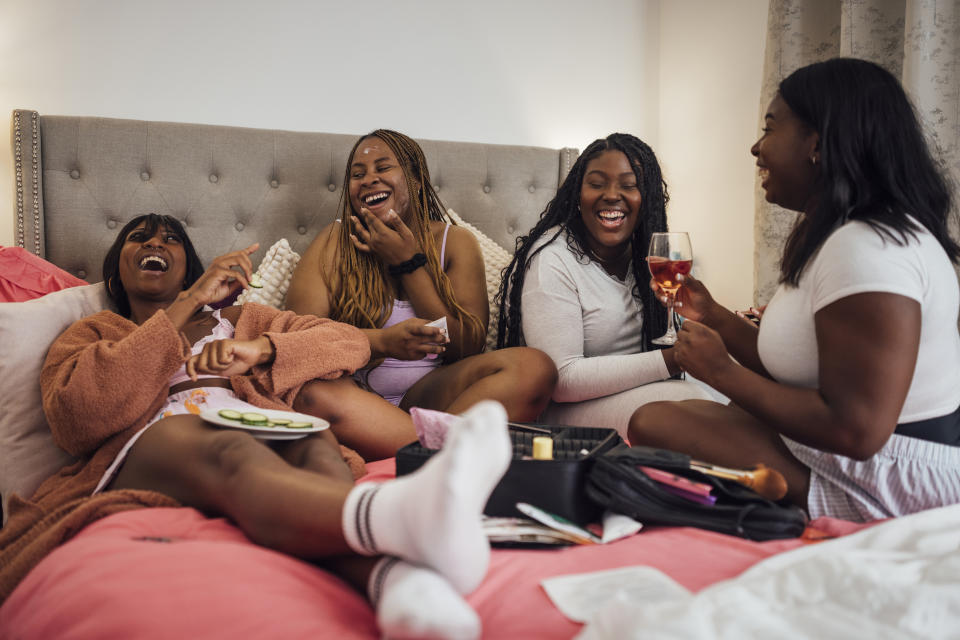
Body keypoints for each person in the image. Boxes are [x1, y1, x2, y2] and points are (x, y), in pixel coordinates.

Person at [0, 213, 514, 639]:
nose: (156, 243)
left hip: (254, 420)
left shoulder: (242, 319)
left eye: (171, 239)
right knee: (226, 450)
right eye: (140, 237)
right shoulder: (92, 332)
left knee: (317, 445)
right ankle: (404, 516)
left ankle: (399, 586)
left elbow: (336, 341)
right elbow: (79, 416)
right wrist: (185, 307)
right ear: (116, 272)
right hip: (158, 442)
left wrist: (262, 349)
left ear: (188, 268)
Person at [628, 58, 960, 522]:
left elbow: (857, 430)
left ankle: (813, 509)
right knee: (659, 418)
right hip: (866, 455)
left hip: (894, 479)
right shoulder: (845, 234)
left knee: (656, 422)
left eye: (769, 128)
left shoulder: (868, 249)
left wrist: (720, 371)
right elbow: (800, 368)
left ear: (817, 143)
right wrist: (714, 315)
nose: (755, 148)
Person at [286, 129, 557, 422]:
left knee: (534, 367)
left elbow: (466, 348)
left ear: (415, 181)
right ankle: (433, 448)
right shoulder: (334, 242)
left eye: (383, 167)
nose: (368, 179)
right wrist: (383, 341)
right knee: (308, 395)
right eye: (357, 174)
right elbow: (300, 340)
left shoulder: (453, 243)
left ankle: (418, 443)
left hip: (429, 396)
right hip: (352, 397)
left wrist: (407, 264)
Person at [496, 133, 712, 440]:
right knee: (695, 411)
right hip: (564, 409)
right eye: (597, 183)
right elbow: (562, 379)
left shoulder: (646, 259)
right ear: (577, 193)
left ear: (646, 196)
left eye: (628, 184)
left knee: (737, 402)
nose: (612, 195)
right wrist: (672, 359)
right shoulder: (551, 259)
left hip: (637, 392)